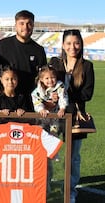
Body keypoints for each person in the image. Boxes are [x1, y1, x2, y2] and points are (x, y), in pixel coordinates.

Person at [49, 29, 95, 203]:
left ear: (81, 44)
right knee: (49, 151)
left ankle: (70, 189)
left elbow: (87, 93)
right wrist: (50, 94)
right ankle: (45, 184)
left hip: (75, 117)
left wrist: (63, 94)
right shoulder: (54, 62)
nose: (72, 47)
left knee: (73, 156)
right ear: (62, 45)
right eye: (68, 43)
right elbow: (44, 82)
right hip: (54, 116)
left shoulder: (87, 66)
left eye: (76, 43)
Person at [31, 64, 68, 193]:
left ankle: (54, 152)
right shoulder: (37, 90)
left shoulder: (59, 86)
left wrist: (62, 108)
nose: (50, 80)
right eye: (47, 78)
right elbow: (36, 101)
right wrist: (41, 109)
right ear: (41, 79)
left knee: (53, 133)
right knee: (41, 137)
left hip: (55, 117)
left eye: (52, 77)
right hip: (42, 118)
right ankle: (41, 184)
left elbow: (63, 97)